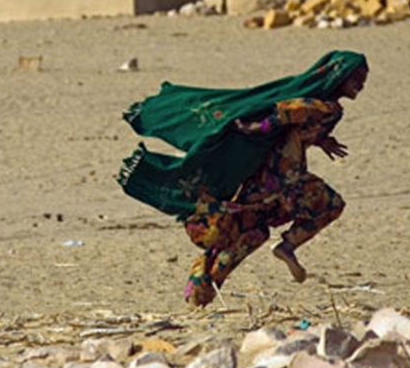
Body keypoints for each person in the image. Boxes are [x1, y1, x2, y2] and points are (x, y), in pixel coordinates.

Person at [117, 50, 369, 307]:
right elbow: (284, 112)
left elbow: (293, 125)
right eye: (357, 78)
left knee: (251, 233)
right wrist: (255, 128)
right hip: (284, 182)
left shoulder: (319, 105)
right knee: (331, 205)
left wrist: (321, 139)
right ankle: (288, 245)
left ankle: (200, 292)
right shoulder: (327, 108)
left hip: (259, 184)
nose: (361, 85)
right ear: (340, 76)